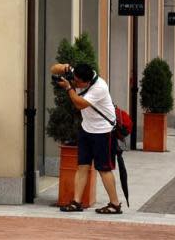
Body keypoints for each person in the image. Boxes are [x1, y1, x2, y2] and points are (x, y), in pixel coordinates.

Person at [52, 62, 123, 214]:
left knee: (104, 168)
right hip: (87, 129)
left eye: (78, 82)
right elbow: (54, 68)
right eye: (74, 79)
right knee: (82, 166)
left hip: (103, 131)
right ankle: (77, 202)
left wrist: (69, 88)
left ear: (87, 82)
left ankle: (115, 204)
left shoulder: (99, 87)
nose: (75, 82)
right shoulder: (77, 74)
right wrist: (64, 68)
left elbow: (79, 104)